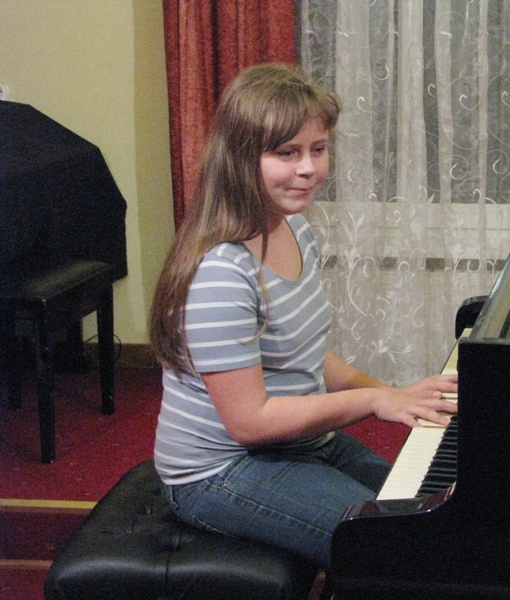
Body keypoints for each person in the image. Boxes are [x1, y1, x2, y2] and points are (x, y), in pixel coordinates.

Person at [148, 63, 458, 569]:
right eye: (287, 152)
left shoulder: (294, 228)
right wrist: (373, 400)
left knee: (435, 516)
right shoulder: (222, 272)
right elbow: (250, 423)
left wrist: (392, 391)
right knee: (398, 552)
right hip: (222, 470)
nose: (309, 168)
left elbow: (304, 353)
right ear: (241, 157)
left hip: (298, 444)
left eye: (318, 148)